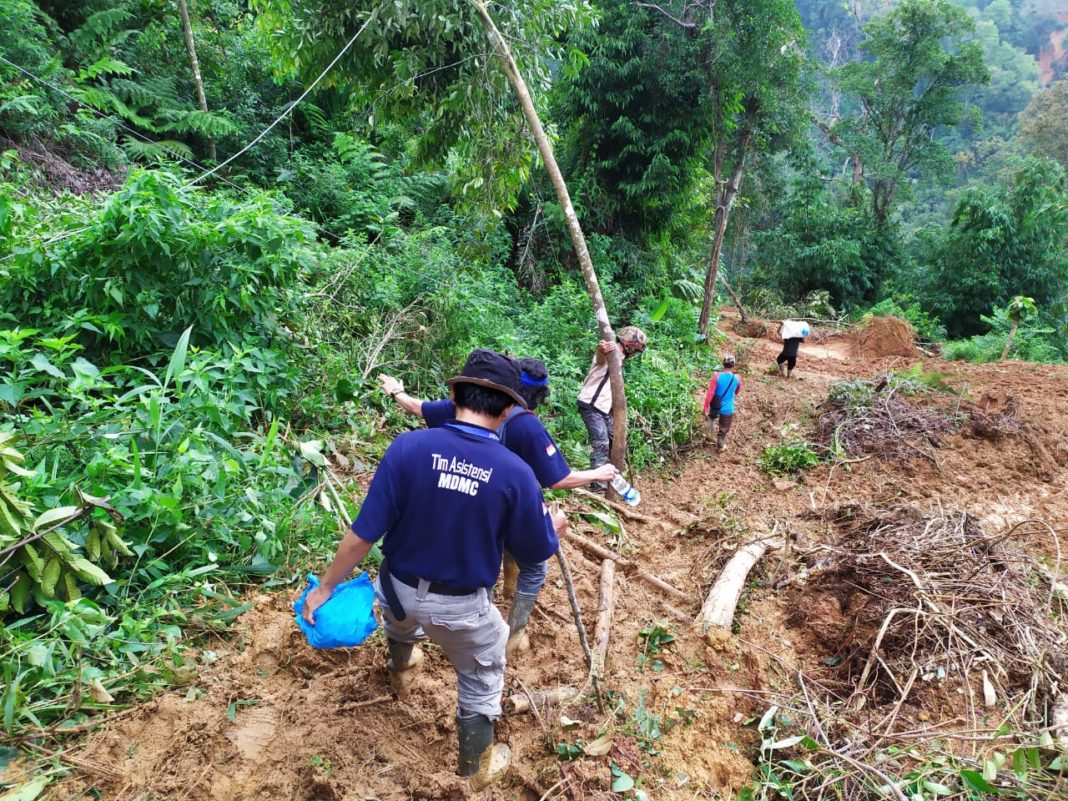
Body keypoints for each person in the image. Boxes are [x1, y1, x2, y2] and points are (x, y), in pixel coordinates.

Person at [303, 349, 563, 788]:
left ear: (454, 393)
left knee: (401, 623)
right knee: (482, 679)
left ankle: (402, 669)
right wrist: (551, 524)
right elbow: (537, 550)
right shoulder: (515, 473)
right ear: (506, 409)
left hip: (397, 589)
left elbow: (363, 534)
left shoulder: (407, 448)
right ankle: (471, 775)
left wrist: (326, 587)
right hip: (461, 609)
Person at [379, 356, 617, 654]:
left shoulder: (464, 408)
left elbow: (418, 408)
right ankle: (514, 635)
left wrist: (396, 392)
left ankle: (495, 595)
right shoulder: (527, 427)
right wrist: (599, 473)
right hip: (507, 508)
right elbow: (558, 479)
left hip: (465, 510)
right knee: (535, 567)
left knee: (491, 548)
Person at [576, 326, 647, 487]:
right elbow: (600, 358)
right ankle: (597, 485)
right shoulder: (611, 351)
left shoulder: (619, 359)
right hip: (591, 404)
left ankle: (610, 479)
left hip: (603, 409)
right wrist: (601, 349)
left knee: (615, 440)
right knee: (601, 443)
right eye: (634, 350)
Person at [702, 354, 741, 452]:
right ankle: (720, 446)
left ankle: (708, 436)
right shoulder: (737, 378)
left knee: (711, 417)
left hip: (716, 404)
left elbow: (710, 393)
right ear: (733, 365)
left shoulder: (717, 376)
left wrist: (705, 407)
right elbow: (737, 391)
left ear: (723, 364)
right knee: (724, 428)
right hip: (728, 408)